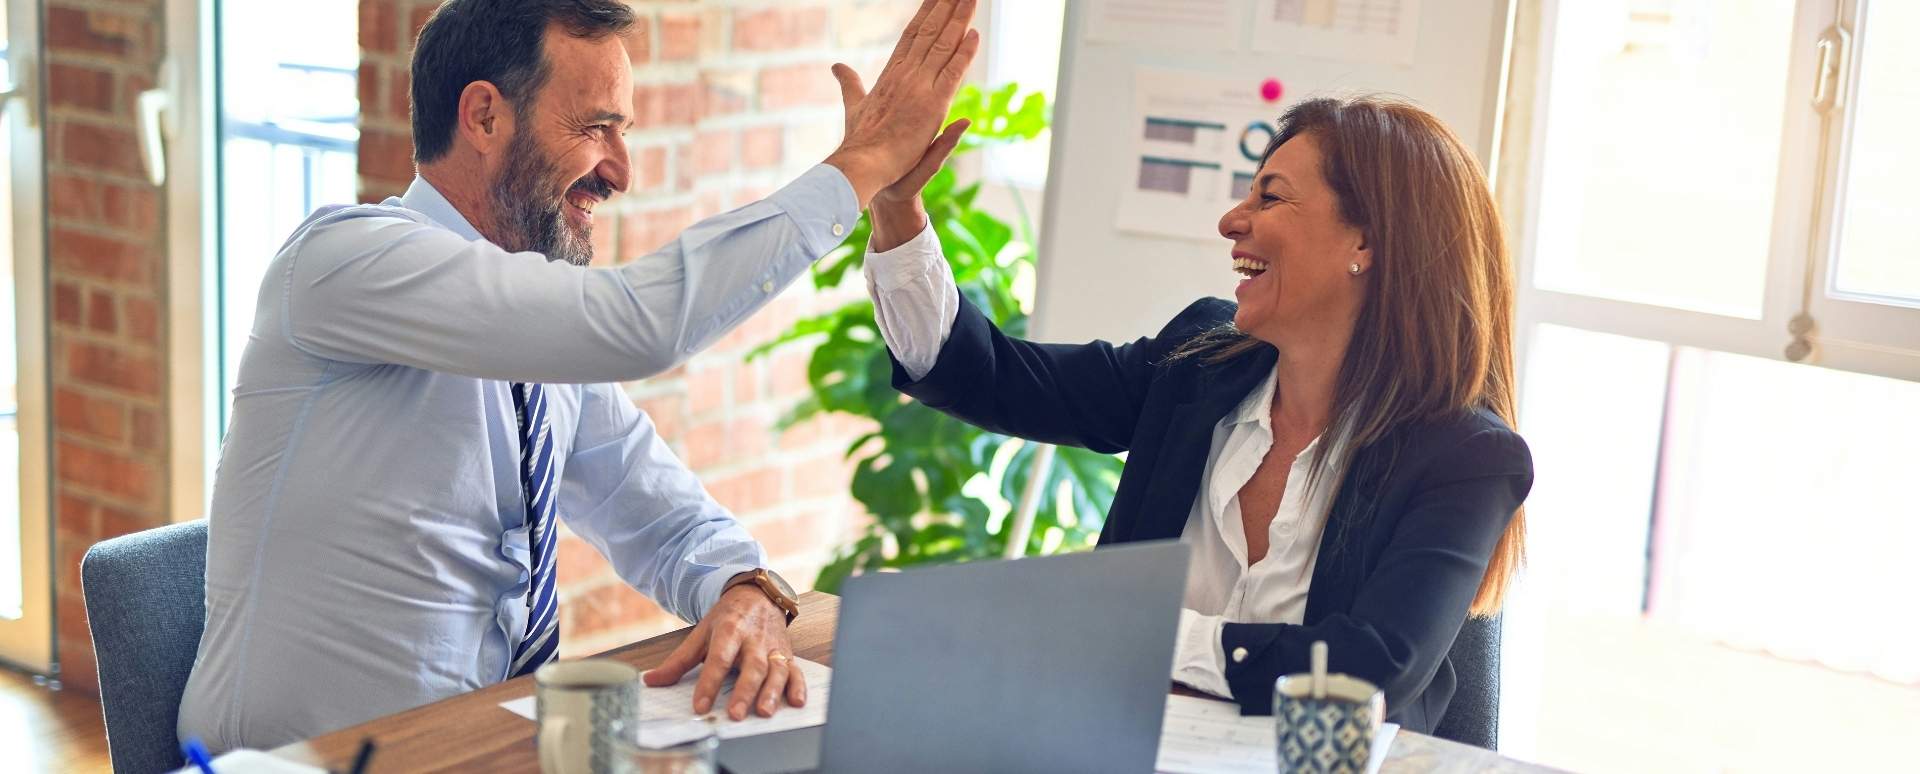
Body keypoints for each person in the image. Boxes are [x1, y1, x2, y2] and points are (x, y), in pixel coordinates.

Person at [179, 0, 981, 751]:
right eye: (597, 128)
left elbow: (666, 521)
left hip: (483, 748)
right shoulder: (341, 261)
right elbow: (637, 323)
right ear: (485, 115)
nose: (621, 171)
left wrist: (743, 586)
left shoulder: (541, 339)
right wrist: (863, 165)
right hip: (303, 762)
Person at [860, 95, 1533, 733]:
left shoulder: (1465, 457)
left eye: (1270, 197)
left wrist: (1139, 631)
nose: (1231, 221)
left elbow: (1365, 674)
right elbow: (991, 378)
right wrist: (896, 209)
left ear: (1366, 243)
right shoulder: (1198, 366)